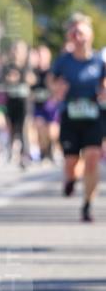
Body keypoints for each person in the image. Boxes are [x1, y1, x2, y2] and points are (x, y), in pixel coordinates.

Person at [51, 15, 106, 222]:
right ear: (71, 37)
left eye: (82, 33)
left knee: (92, 158)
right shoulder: (64, 61)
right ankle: (71, 179)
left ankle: (87, 204)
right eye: (75, 34)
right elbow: (51, 82)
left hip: (94, 115)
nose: (79, 38)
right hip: (70, 116)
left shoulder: (100, 60)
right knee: (71, 161)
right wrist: (57, 89)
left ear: (90, 36)